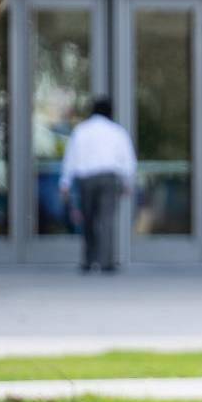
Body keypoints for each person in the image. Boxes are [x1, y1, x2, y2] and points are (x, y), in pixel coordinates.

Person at [57, 97, 135, 273]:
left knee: (88, 220)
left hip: (86, 179)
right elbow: (127, 160)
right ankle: (106, 262)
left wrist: (65, 182)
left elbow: (71, 158)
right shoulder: (117, 131)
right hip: (109, 178)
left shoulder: (81, 130)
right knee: (106, 220)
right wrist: (127, 182)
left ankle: (88, 260)